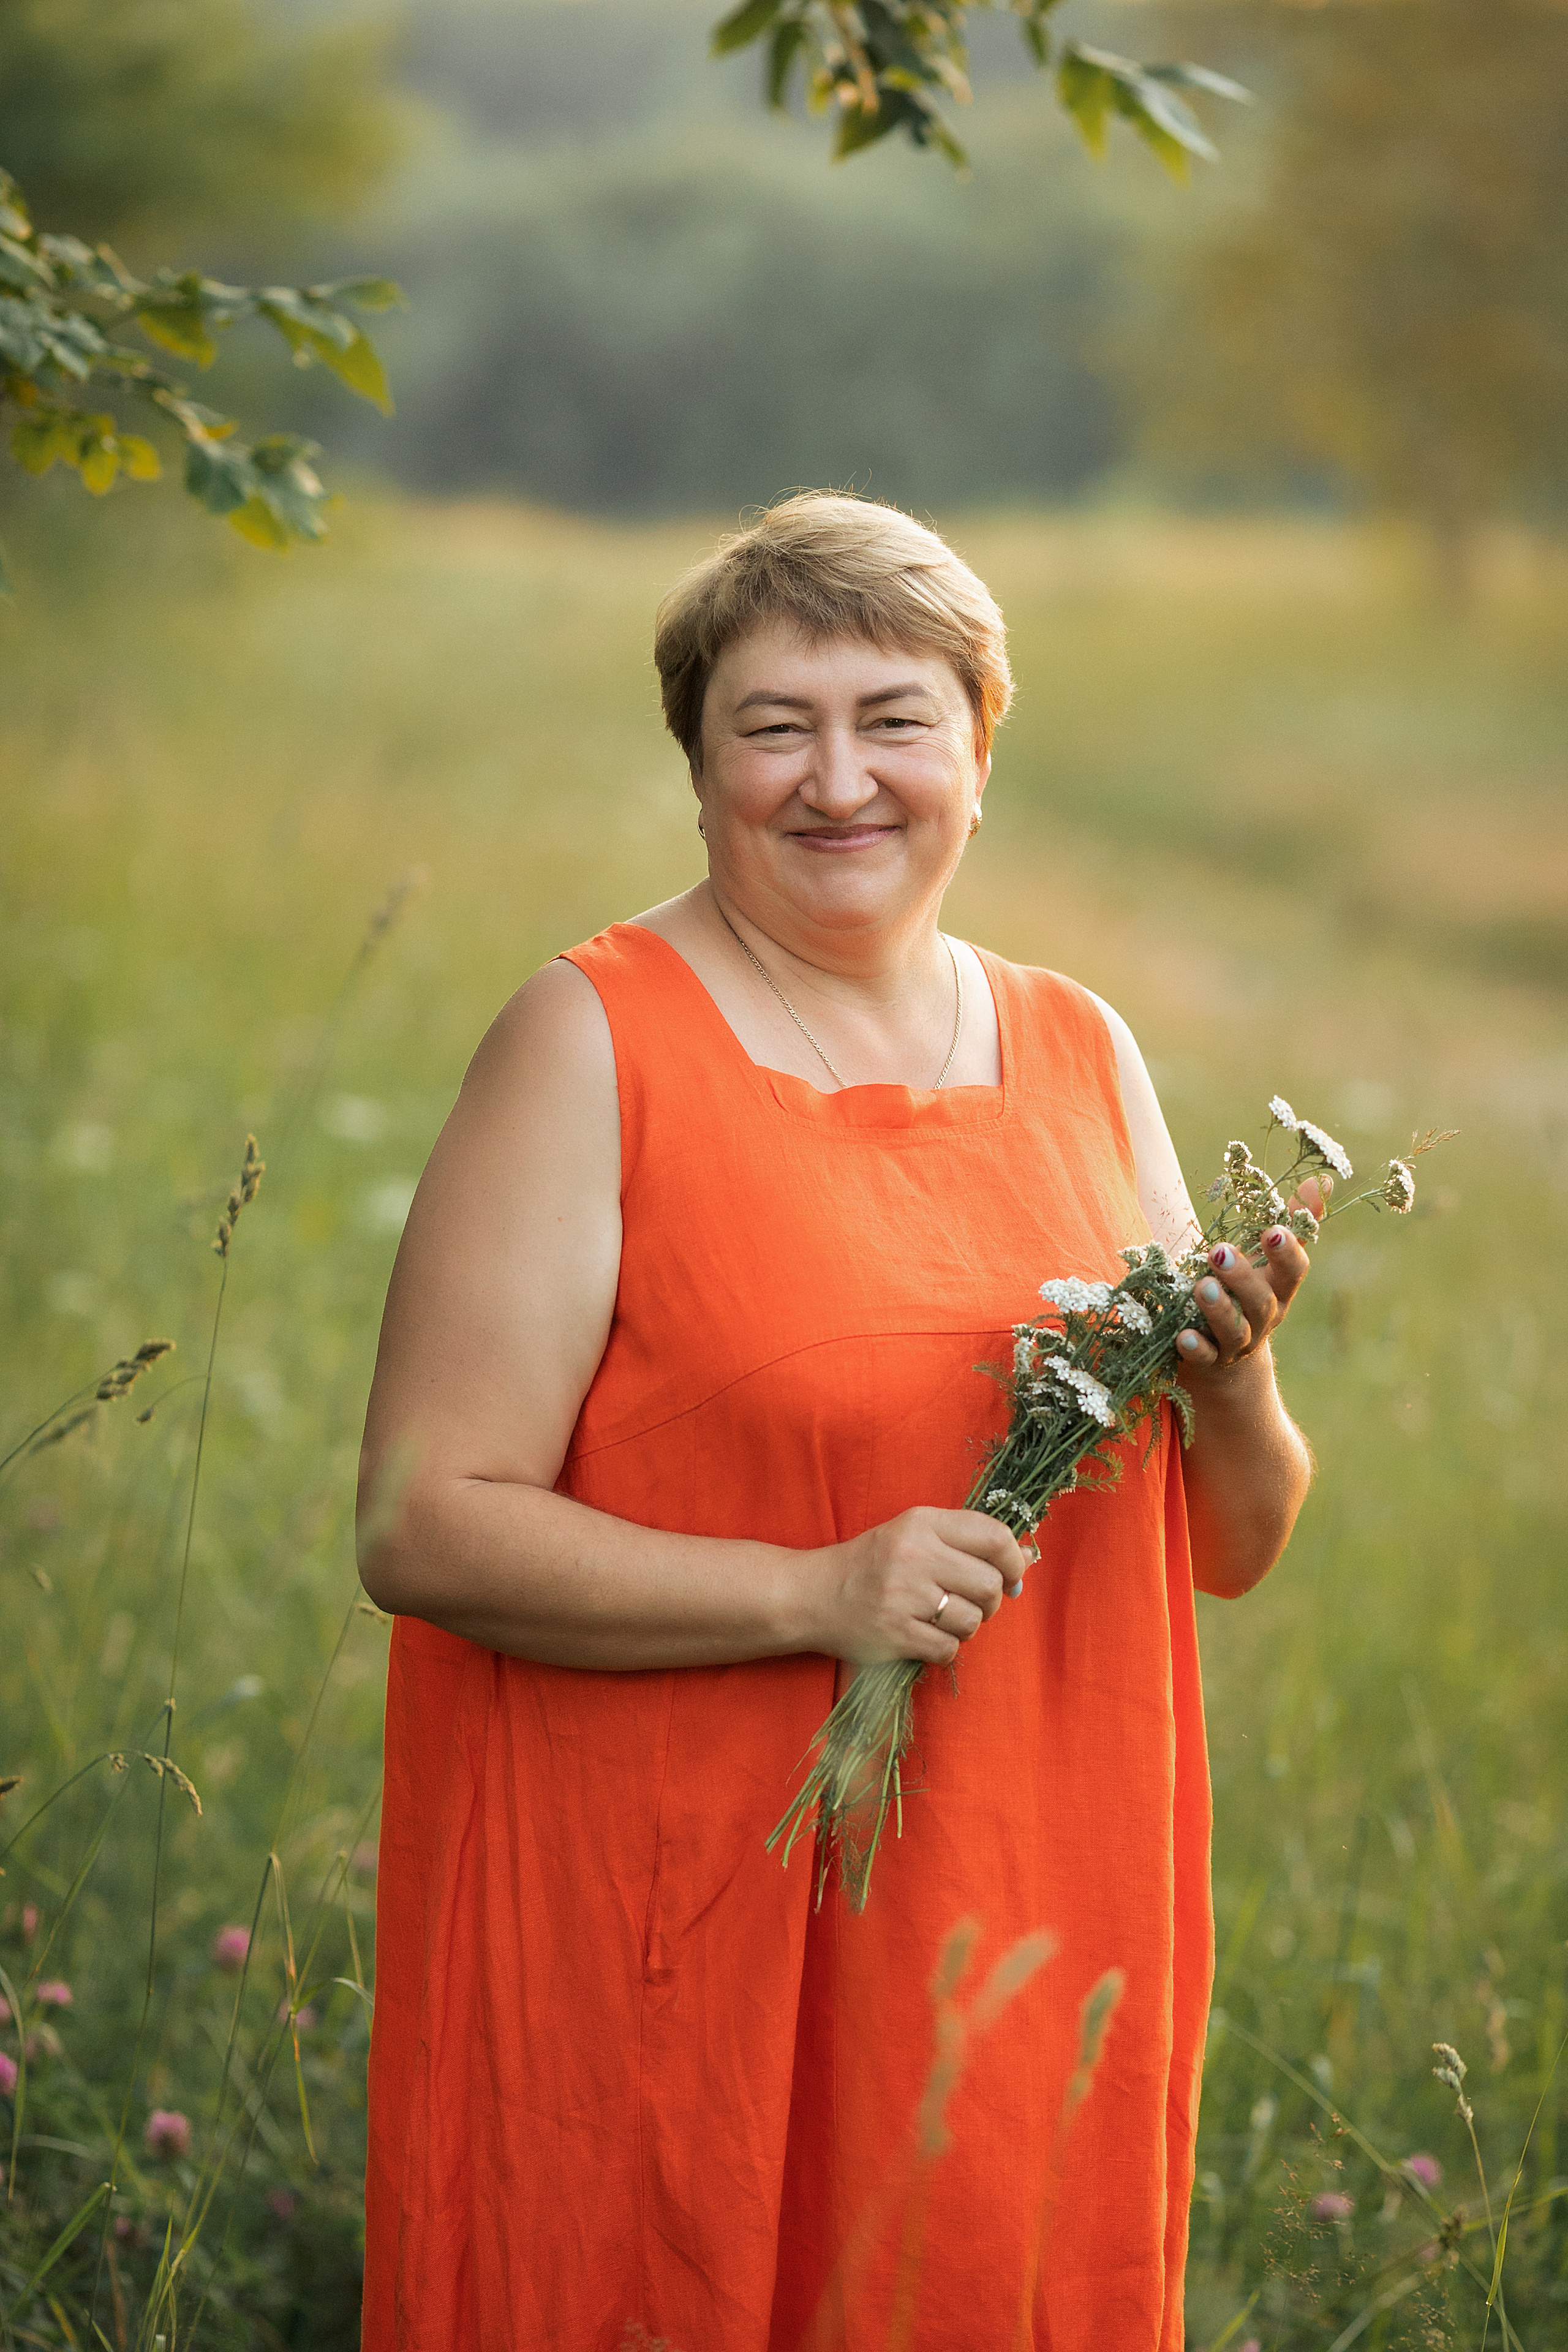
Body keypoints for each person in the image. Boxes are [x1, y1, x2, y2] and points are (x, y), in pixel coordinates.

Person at [356, 492, 1319, 2352]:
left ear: (980, 750)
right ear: (697, 766)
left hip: (1020, 1897)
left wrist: (1239, 1387)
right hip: (684, 1906)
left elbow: (1236, 1544)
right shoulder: (594, 1040)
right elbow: (424, 1526)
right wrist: (816, 1595)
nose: (838, 780)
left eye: (894, 720)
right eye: (772, 726)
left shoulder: (1083, 1047)